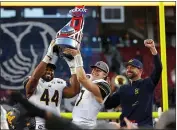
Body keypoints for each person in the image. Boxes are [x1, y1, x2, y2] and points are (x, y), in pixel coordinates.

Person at [104, 39, 162, 128]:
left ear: (140, 71)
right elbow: (108, 105)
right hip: (125, 127)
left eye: (132, 67)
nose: (129, 69)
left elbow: (158, 68)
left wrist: (153, 49)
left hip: (143, 127)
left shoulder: (147, 84)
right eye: (127, 67)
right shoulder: (123, 88)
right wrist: (107, 89)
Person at [25, 40, 80, 129]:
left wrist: (72, 66)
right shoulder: (33, 82)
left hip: (55, 124)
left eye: (51, 70)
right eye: (46, 69)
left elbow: (74, 91)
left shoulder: (59, 83)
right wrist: (48, 55)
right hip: (37, 124)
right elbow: (34, 79)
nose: (49, 71)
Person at [63, 49, 111, 129]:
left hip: (86, 126)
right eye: (94, 69)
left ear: (105, 75)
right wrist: (72, 65)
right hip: (76, 123)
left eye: (98, 70)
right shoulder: (89, 79)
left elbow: (82, 79)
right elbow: (73, 82)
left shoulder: (104, 85)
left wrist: (78, 57)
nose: (95, 72)